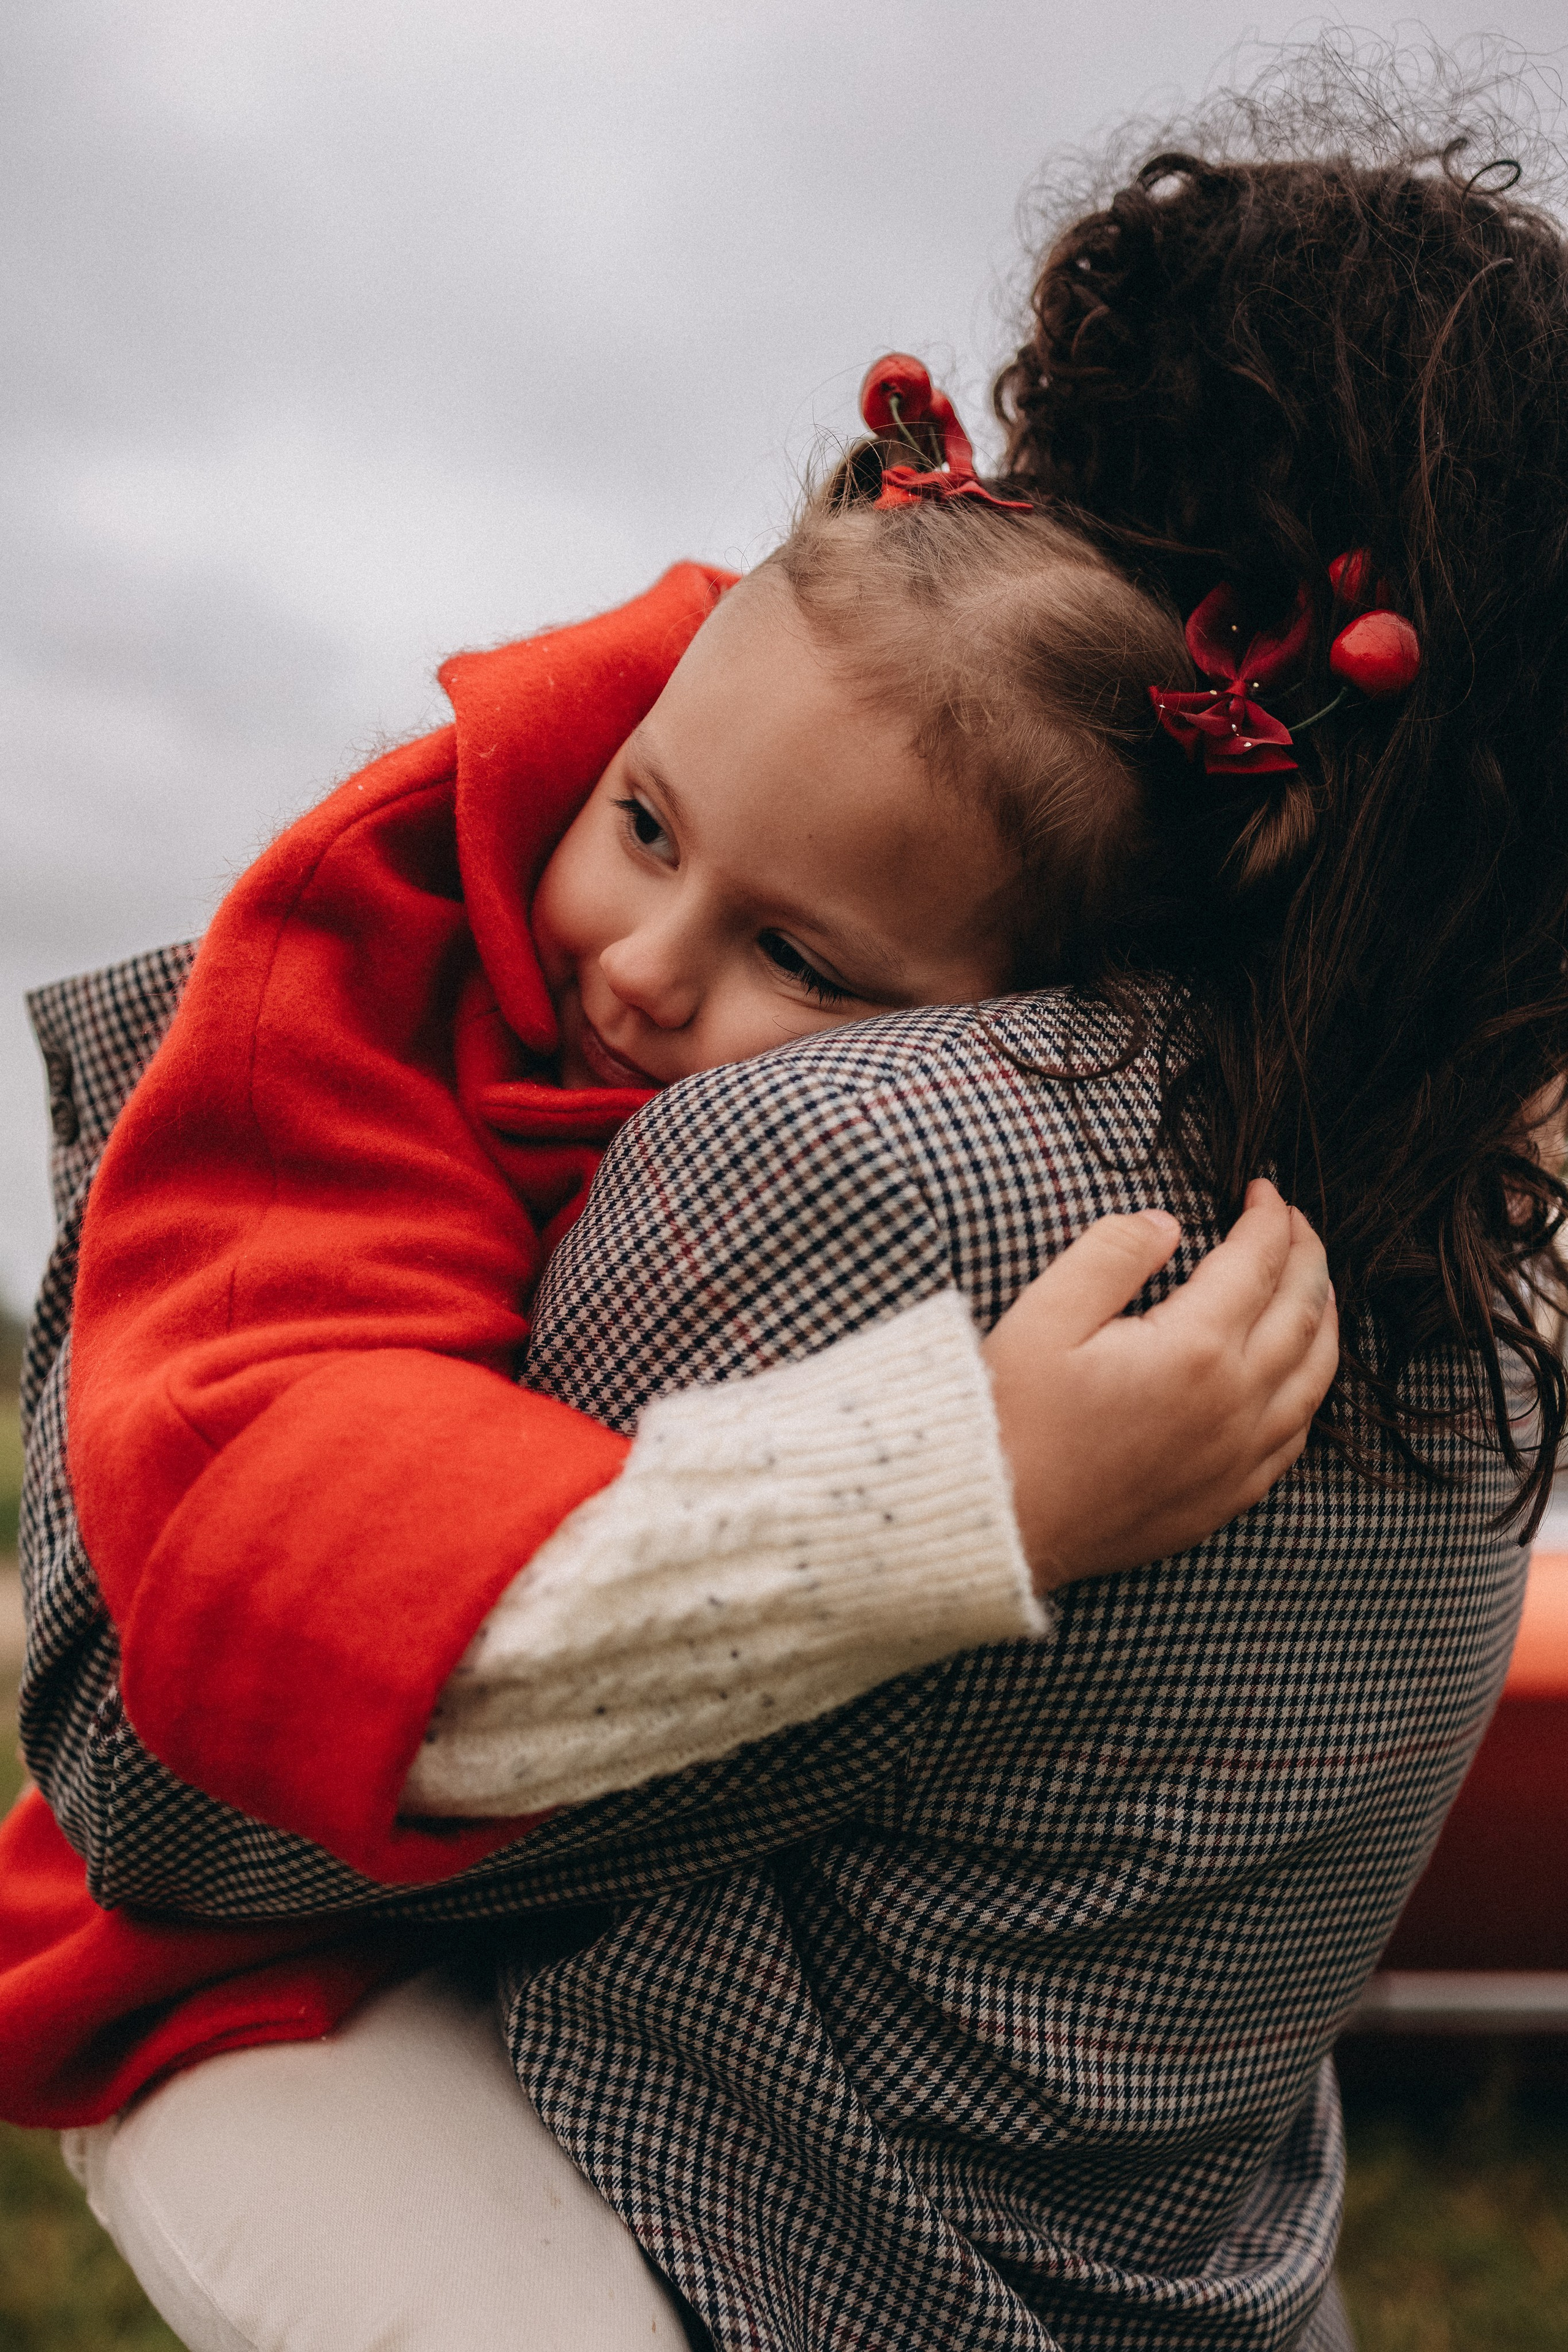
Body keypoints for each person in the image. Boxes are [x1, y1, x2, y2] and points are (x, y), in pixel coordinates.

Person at [29, 86, 1568, 2351]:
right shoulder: (1472, 1231)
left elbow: (168, 1792)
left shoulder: (877, 1162)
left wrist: (963, 1496)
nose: (652, 973)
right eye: (645, 824)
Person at [2, 414, 1333, 2139]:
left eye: (797, 955)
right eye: (645, 825)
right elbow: (304, 1554)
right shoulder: (357, 1038)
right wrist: (975, 1496)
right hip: (178, 1933)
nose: (641, 966)